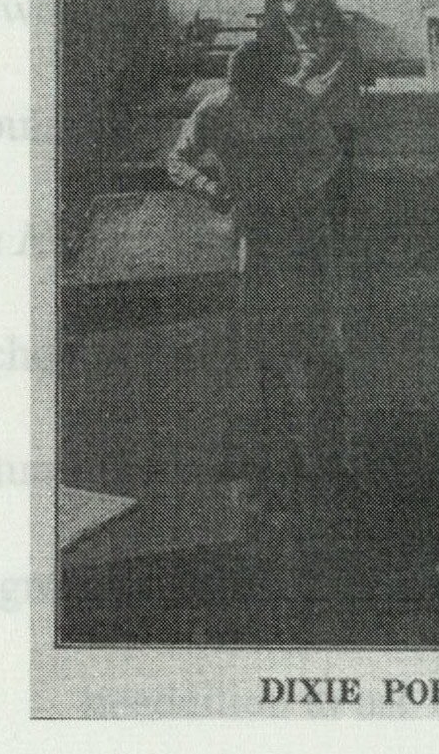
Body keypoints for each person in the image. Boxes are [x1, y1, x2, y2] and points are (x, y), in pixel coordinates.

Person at [167, 40, 348, 521]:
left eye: (258, 91)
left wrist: (297, 187)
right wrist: (212, 187)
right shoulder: (216, 109)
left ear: (272, 82)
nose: (249, 99)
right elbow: (178, 159)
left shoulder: (298, 104)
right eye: (241, 90)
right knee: (262, 331)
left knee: (316, 329)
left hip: (303, 225)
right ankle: (275, 439)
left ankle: (326, 446)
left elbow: (329, 155)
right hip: (255, 229)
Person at [256, 0, 364, 243]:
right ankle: (314, 185)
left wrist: (302, 75)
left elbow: (331, 43)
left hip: (338, 64)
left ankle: (342, 197)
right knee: (308, 120)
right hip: (310, 62)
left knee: (338, 124)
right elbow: (271, 38)